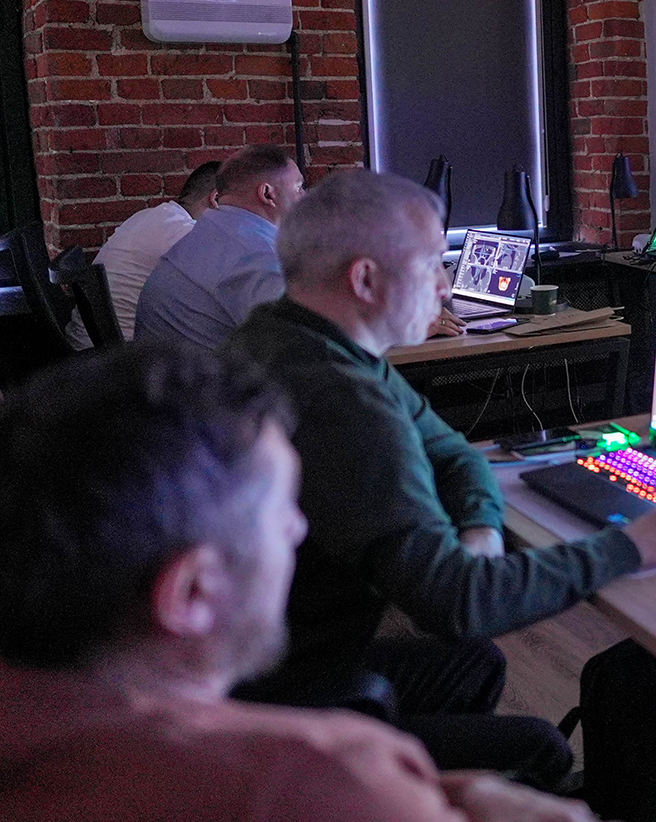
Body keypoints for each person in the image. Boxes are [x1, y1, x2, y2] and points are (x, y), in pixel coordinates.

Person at [226, 170, 656, 814]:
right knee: (541, 746)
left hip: (276, 653)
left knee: (476, 663)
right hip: (280, 696)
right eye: (432, 265)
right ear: (366, 280)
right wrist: (634, 544)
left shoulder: (287, 335)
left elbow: (456, 453)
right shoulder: (345, 406)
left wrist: (482, 528)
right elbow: (460, 604)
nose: (445, 286)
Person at [0, 340, 592, 822]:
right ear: (192, 593)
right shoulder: (318, 775)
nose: (298, 527)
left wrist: (447, 794)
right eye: (281, 511)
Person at [136, 145, 307, 350]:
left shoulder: (212, 231)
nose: (305, 196)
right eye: (299, 187)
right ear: (267, 194)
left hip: (167, 365)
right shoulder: (256, 255)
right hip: (201, 370)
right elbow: (298, 346)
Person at [67, 159, 220, 346]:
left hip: (91, 345)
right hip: (120, 354)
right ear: (216, 199)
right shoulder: (184, 232)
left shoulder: (154, 216)